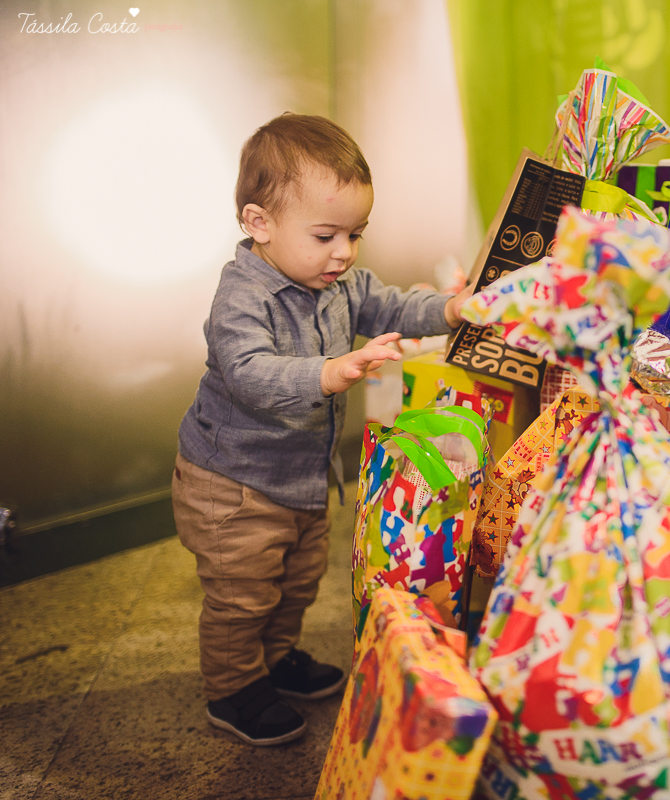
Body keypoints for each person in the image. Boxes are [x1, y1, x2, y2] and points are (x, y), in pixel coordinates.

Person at [171, 113, 470, 746]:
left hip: (301, 480)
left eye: (356, 234)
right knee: (242, 594)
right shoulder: (242, 299)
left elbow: (390, 303)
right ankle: (232, 688)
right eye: (327, 234)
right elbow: (250, 373)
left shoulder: (334, 281)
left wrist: (448, 310)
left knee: (297, 581)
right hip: (233, 485)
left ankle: (274, 660)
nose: (344, 252)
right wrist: (331, 372)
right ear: (260, 224)